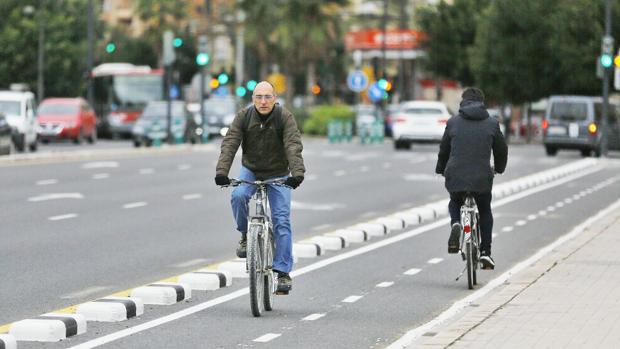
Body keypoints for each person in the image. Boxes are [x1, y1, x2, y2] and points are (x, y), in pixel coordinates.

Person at [215, 81, 305, 293]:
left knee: (281, 220)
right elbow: (230, 143)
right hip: (251, 169)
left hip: (278, 173)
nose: (263, 101)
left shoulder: (285, 117)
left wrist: (297, 174)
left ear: (275, 98)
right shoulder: (244, 117)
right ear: (253, 99)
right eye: (258, 97)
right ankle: (246, 236)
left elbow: (293, 145)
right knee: (238, 195)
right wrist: (222, 172)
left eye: (267, 97)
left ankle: (282, 272)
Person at [435, 87, 507, 270]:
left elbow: (444, 150)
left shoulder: (453, 123)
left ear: (463, 102)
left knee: (454, 201)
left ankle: (456, 222)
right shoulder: (492, 123)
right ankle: (485, 253)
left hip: (456, 175)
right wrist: (499, 168)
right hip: (482, 178)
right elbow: (501, 150)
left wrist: (440, 169)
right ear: (482, 103)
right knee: (484, 210)